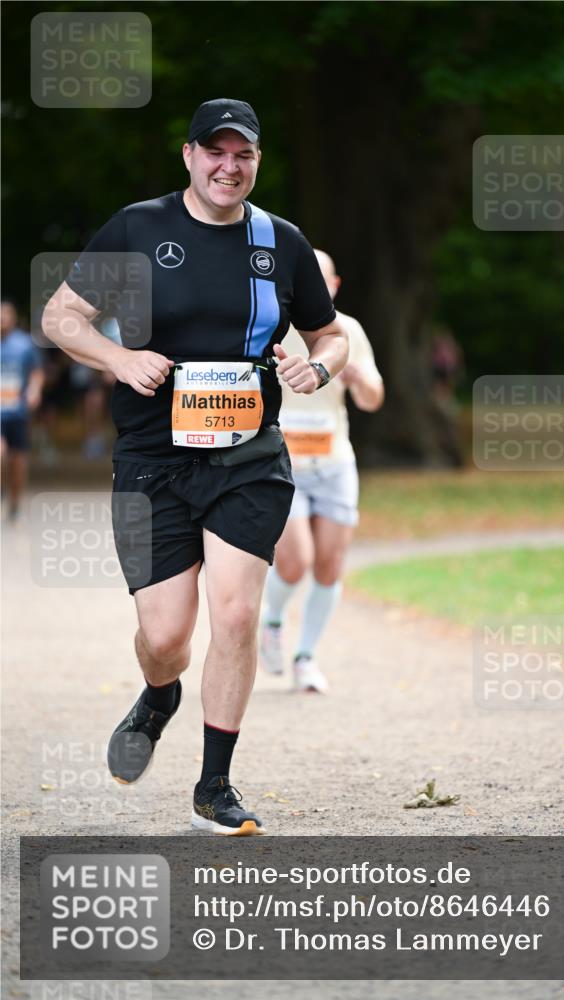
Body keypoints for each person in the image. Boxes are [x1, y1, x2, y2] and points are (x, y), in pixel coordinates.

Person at [41, 98, 348, 836]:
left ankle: (215, 785)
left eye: (242, 154)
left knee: (236, 612)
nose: (227, 166)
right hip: (152, 457)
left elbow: (329, 332)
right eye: (215, 151)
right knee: (166, 636)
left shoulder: (281, 242)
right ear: (188, 156)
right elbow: (61, 316)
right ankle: (157, 694)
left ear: (256, 163)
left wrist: (318, 367)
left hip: (248, 457)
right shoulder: (138, 227)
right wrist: (119, 357)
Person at [260, 251, 383, 692]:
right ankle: (271, 621)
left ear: (333, 285)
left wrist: (356, 378)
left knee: (329, 566)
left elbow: (373, 397)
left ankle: (306, 657)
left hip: (334, 463)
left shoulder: (346, 331)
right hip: (282, 462)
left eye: (320, 279)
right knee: (295, 562)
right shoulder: (267, 326)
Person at [1, 300, 44, 518]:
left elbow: (37, 372)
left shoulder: (25, 344)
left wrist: (34, 390)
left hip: (17, 411)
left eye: (6, 314)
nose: (3, 319)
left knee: (18, 459)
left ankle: (15, 499)